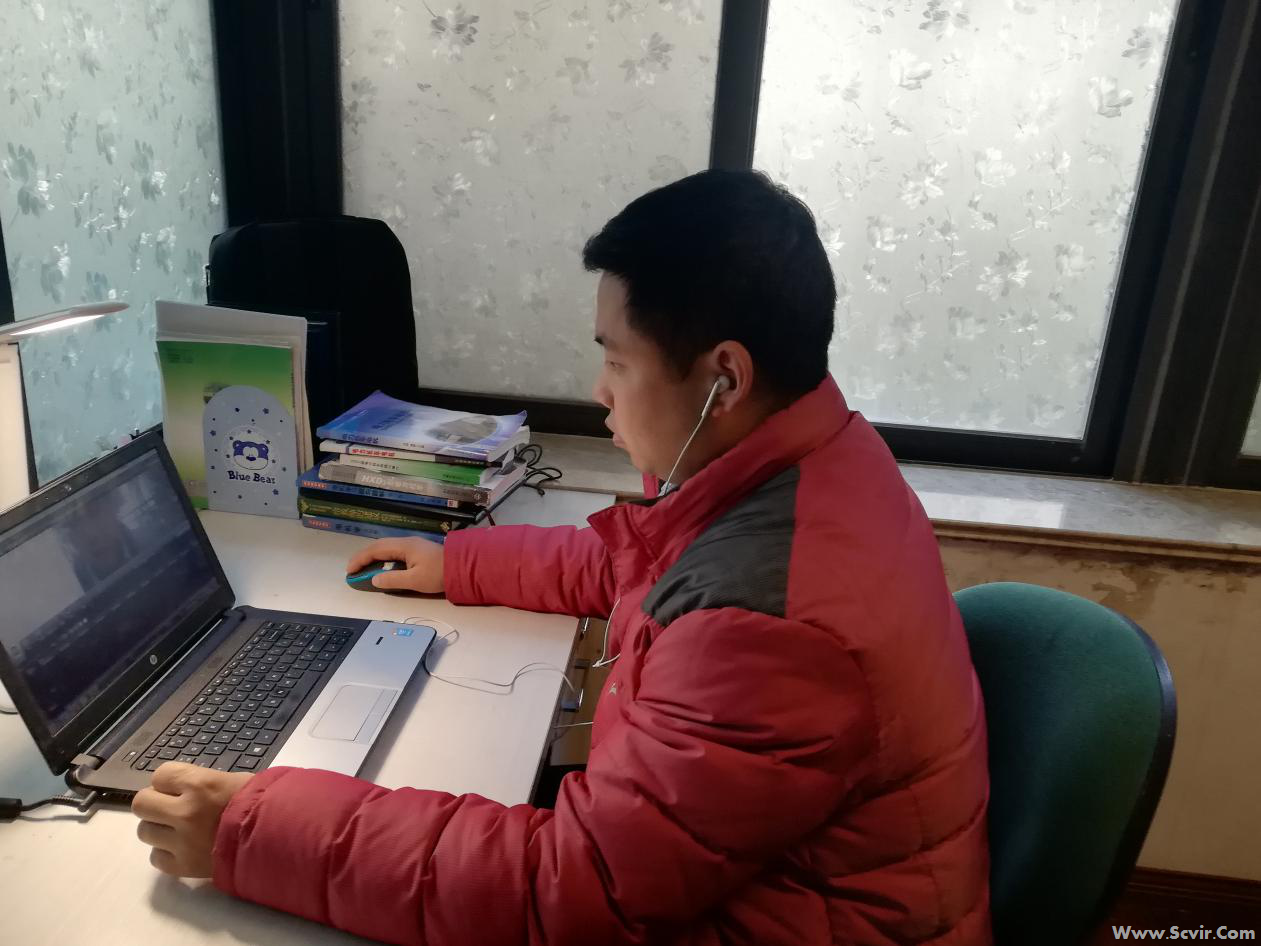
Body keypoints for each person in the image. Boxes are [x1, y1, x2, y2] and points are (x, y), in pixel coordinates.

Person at [133, 170, 992, 945]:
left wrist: (251, 829)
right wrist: (460, 563)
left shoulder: (768, 625)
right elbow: (642, 570)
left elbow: (575, 892)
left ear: (724, 380)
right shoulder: (811, 461)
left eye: (616, 360)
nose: (599, 390)